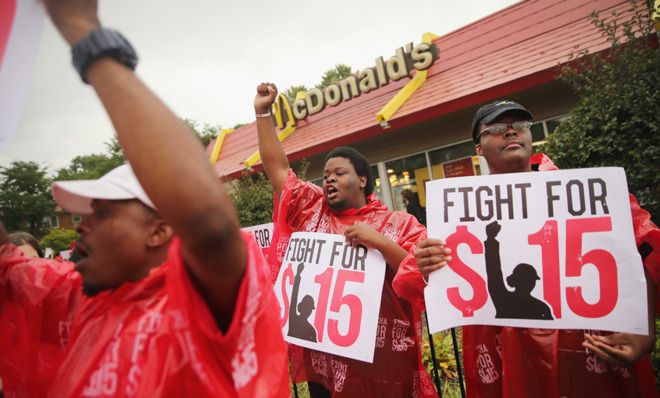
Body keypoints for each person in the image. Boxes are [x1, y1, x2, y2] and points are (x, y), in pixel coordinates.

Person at [0, 1, 288, 396]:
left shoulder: (200, 304)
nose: (82, 224)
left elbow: (210, 226)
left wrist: (84, 29)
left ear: (160, 229)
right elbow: (9, 263)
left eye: (103, 213)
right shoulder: (83, 301)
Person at [393, 100, 659, 397]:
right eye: (495, 128)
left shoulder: (583, 194)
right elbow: (411, 280)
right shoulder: (461, 213)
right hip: (503, 362)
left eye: (519, 126)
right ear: (478, 148)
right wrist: (427, 263)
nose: (511, 133)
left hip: (590, 359)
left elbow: (640, 248)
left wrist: (643, 329)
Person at [255, 83, 438, 397]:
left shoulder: (400, 223)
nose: (329, 179)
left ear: (362, 180)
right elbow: (279, 170)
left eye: (339, 173)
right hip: (325, 365)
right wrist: (262, 113)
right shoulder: (312, 210)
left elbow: (421, 276)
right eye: (326, 175)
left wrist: (378, 241)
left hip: (385, 366)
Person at [483, 221, 552, 320]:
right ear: (517, 281)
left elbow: (494, 273)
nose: (531, 283)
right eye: (528, 280)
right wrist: (491, 240)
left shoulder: (542, 307)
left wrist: (491, 239)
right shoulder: (541, 307)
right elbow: (494, 272)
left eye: (532, 280)